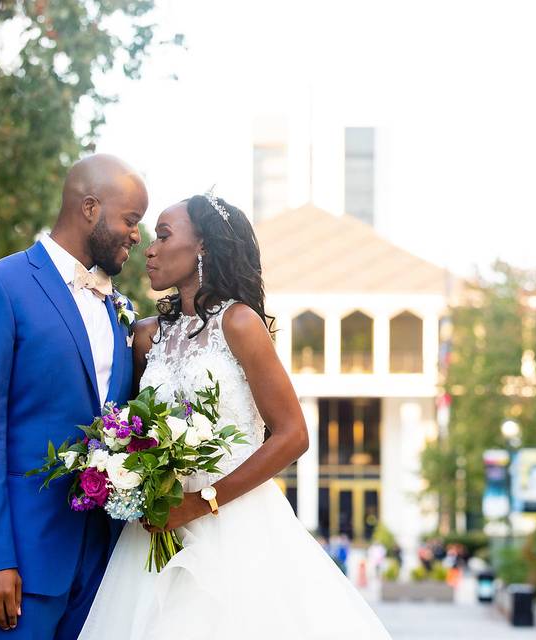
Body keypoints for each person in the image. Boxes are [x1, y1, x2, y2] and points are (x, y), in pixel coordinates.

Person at [79, 192, 391, 639]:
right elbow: (130, 427)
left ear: (202, 245)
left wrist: (202, 501)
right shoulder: (146, 336)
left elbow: (292, 435)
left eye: (164, 236)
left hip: (238, 529)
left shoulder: (240, 324)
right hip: (155, 531)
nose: (150, 248)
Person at [0, 154, 149, 638]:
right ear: (90, 208)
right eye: (131, 220)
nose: (138, 235)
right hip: (19, 566)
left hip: (105, 565)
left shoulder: (122, 308)